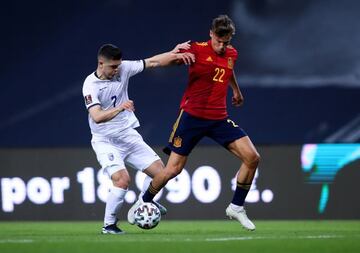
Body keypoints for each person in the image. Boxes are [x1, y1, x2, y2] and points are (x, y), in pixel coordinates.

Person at [128, 15, 260, 231]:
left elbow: (228, 69)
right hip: (192, 117)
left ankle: (236, 207)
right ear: (211, 34)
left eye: (226, 42)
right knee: (172, 170)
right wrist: (167, 54)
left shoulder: (231, 54)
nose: (221, 46)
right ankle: (143, 201)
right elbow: (166, 60)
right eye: (218, 41)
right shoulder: (196, 49)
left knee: (253, 158)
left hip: (218, 119)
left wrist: (235, 89)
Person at [82, 42, 194, 234]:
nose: (117, 70)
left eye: (118, 65)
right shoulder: (90, 85)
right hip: (105, 140)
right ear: (101, 63)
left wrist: (173, 53)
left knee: (161, 174)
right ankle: (109, 225)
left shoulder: (123, 68)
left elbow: (153, 62)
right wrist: (120, 108)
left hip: (128, 135)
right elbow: (97, 117)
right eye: (113, 66)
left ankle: (144, 202)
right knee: (122, 180)